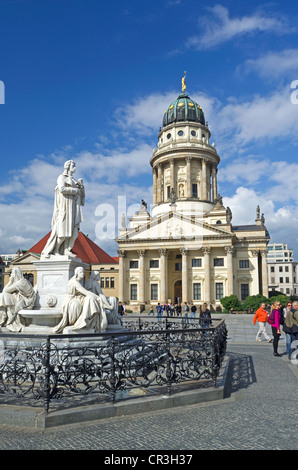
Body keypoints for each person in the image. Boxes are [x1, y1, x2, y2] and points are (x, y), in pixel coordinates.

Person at [42, 160, 85, 258]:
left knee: (74, 232)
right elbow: (62, 189)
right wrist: (75, 190)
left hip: (73, 207)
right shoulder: (61, 177)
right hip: (65, 207)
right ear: (67, 166)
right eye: (73, 165)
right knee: (63, 231)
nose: (75, 167)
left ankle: (67, 250)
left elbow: (81, 197)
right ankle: (56, 250)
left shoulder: (74, 180)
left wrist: (81, 187)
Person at [53, 267, 107, 333]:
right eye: (81, 272)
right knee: (89, 299)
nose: (83, 274)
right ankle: (83, 322)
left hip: (79, 298)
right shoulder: (75, 282)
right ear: (76, 273)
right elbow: (85, 292)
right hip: (71, 300)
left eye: (83, 272)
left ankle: (88, 322)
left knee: (90, 299)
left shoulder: (80, 281)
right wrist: (98, 298)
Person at [0, 267, 36, 332]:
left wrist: (10, 281)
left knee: (3, 296)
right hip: (26, 299)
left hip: (26, 301)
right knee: (4, 296)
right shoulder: (24, 281)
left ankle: (7, 320)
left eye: (12, 274)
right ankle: (5, 318)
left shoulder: (19, 283)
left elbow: (5, 290)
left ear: (15, 274)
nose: (11, 275)